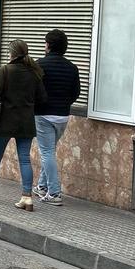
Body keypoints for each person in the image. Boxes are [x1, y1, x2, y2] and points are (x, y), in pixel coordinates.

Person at [0, 39, 47, 212]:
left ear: (12, 54)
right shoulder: (34, 73)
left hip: (5, 122)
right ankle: (27, 197)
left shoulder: (5, 70)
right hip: (26, 123)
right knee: (24, 159)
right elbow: (42, 98)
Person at [34, 29, 82, 206]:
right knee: (50, 152)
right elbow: (75, 93)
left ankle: (54, 193)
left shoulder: (39, 65)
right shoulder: (72, 68)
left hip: (43, 115)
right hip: (62, 116)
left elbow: (34, 90)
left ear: (48, 45)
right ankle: (42, 187)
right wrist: (63, 103)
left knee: (46, 153)